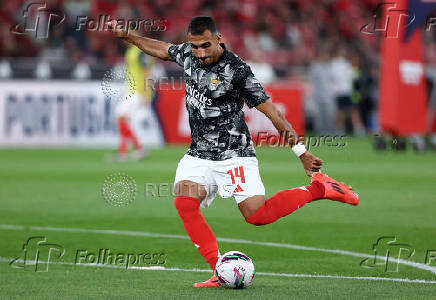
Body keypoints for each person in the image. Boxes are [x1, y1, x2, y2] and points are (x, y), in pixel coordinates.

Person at [108, 16, 359, 287]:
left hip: (234, 153)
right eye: (195, 47)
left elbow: (273, 114)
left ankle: (319, 189)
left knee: (257, 216)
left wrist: (301, 152)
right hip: (199, 154)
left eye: (205, 45)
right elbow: (161, 49)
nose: (200, 53)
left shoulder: (237, 71)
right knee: (184, 202)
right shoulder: (189, 54)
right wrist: (128, 36)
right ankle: (218, 270)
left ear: (218, 39)